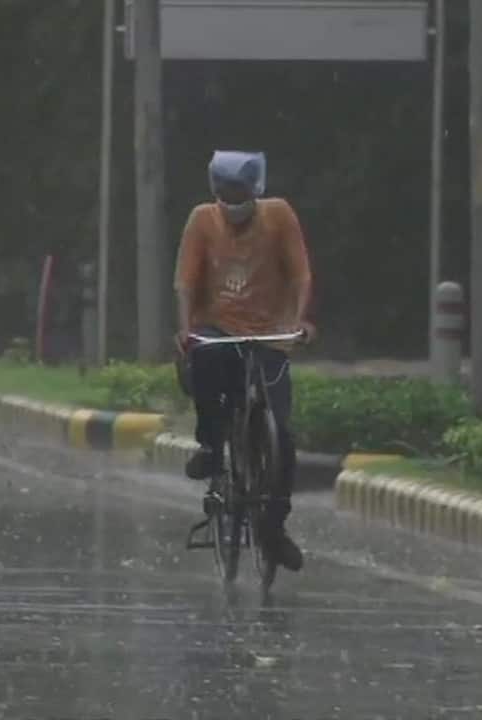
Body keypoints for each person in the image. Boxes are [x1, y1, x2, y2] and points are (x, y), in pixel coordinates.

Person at [173, 150, 314, 573]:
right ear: (215, 191)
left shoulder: (279, 217)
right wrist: (185, 328)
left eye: (240, 192)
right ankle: (213, 448)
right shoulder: (202, 220)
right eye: (225, 192)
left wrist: (302, 319)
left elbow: (301, 275)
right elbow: (185, 282)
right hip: (217, 329)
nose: (232, 201)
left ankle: (274, 527)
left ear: (255, 190)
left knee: (282, 437)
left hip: (271, 334)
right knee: (208, 369)